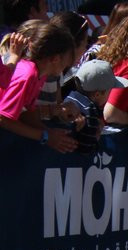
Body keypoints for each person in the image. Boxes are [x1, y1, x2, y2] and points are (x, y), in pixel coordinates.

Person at [0, 20, 77, 152]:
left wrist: (49, 131)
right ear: (56, 59)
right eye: (67, 60)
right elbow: (3, 119)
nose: (68, 65)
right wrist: (45, 136)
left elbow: (26, 114)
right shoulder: (27, 74)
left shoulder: (39, 74)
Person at [61, 58, 126, 153]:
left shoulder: (70, 97)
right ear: (98, 94)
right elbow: (87, 149)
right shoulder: (90, 111)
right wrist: (97, 134)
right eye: (109, 90)